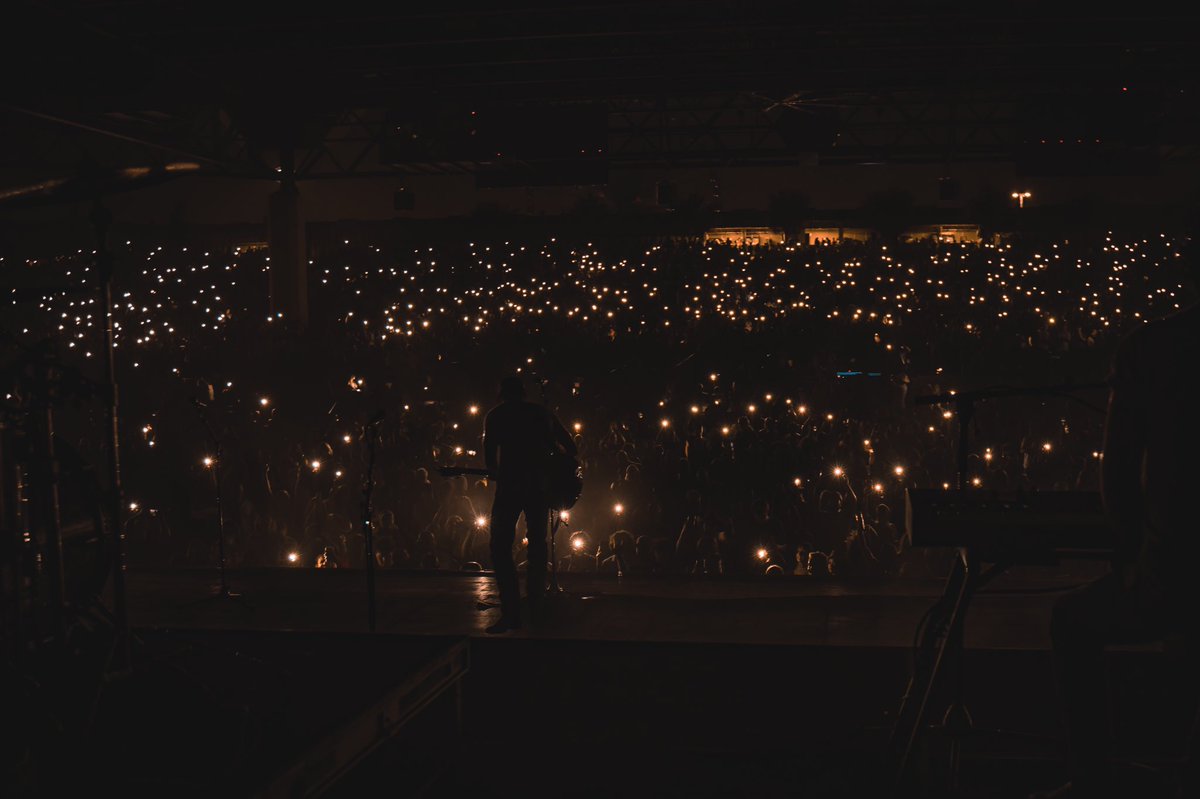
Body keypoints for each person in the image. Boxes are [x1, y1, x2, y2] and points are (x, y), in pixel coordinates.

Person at [1037, 249, 1200, 798]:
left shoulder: (1153, 347)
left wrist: (1135, 554)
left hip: (1176, 575)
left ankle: (1092, 781)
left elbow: (1120, 478)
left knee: (1071, 619)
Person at [482, 375, 577, 633]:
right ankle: (536, 609)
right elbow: (571, 447)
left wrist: (495, 470)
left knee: (500, 546)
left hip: (510, 487)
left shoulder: (496, 416)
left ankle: (511, 612)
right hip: (538, 487)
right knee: (537, 547)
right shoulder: (541, 413)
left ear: (502, 393)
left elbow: (490, 455)